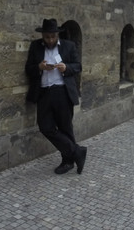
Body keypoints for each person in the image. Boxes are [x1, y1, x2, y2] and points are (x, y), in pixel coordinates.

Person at [25, 18, 87, 174]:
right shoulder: (35, 47)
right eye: (47, 37)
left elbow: (77, 66)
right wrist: (39, 67)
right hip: (44, 92)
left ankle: (68, 162)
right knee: (45, 127)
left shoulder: (68, 46)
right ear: (43, 36)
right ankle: (77, 151)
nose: (50, 40)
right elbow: (29, 69)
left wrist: (66, 67)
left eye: (53, 36)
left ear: (57, 35)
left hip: (62, 92)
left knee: (66, 128)